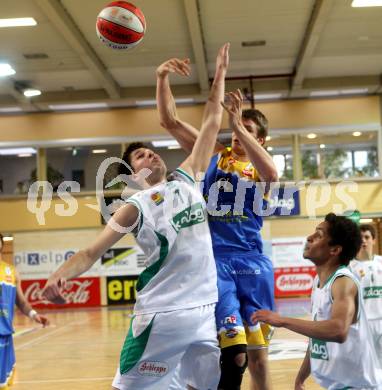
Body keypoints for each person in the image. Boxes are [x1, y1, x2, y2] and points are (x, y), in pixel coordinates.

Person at [42, 43, 230, 390]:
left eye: (151, 151)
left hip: (204, 308)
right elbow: (91, 252)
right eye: (141, 156)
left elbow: (213, 122)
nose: (151, 155)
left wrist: (217, 74)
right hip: (161, 314)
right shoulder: (136, 206)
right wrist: (59, 274)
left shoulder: (187, 181)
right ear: (132, 174)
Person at [156, 58, 278, 390]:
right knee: (230, 352)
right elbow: (170, 120)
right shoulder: (214, 155)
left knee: (258, 355)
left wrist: (237, 123)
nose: (239, 135)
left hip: (253, 263)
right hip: (217, 263)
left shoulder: (262, 166)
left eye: (249, 131)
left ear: (260, 140)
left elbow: (272, 174)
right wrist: (162, 76)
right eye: (237, 129)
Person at [252, 213, 382, 390]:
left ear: (335, 250)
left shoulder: (343, 281)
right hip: (338, 384)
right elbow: (317, 334)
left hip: (359, 386)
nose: (309, 238)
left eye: (319, 235)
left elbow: (338, 329)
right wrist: (301, 377)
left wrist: (282, 320)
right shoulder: (318, 282)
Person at [0, 233, 49, 389]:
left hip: (5, 334)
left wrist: (34, 315)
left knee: (4, 382)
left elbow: (20, 301)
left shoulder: (11, 272)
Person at [350, 224, 382, 362]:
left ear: (373, 240)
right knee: (365, 364)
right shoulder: (350, 267)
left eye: (367, 237)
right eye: (360, 237)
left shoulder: (381, 262)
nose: (363, 240)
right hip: (362, 323)